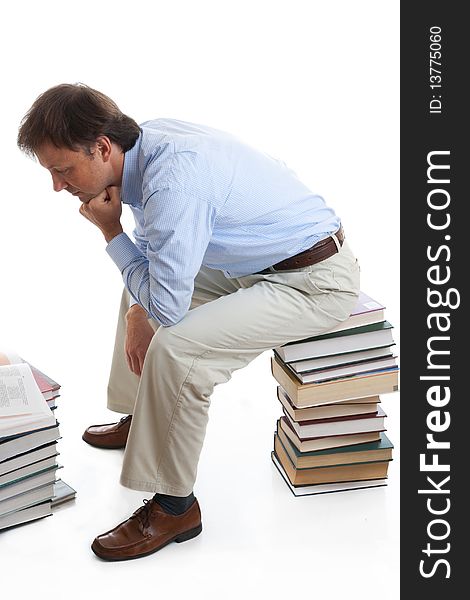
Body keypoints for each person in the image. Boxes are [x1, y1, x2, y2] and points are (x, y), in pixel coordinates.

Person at [17, 83, 360, 561]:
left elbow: (169, 309)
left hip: (312, 282)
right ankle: (144, 419)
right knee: (138, 290)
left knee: (176, 346)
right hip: (252, 262)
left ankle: (175, 506)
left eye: (62, 170)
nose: (58, 186)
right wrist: (140, 304)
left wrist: (112, 232)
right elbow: (160, 249)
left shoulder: (173, 179)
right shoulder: (144, 145)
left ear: (100, 147)